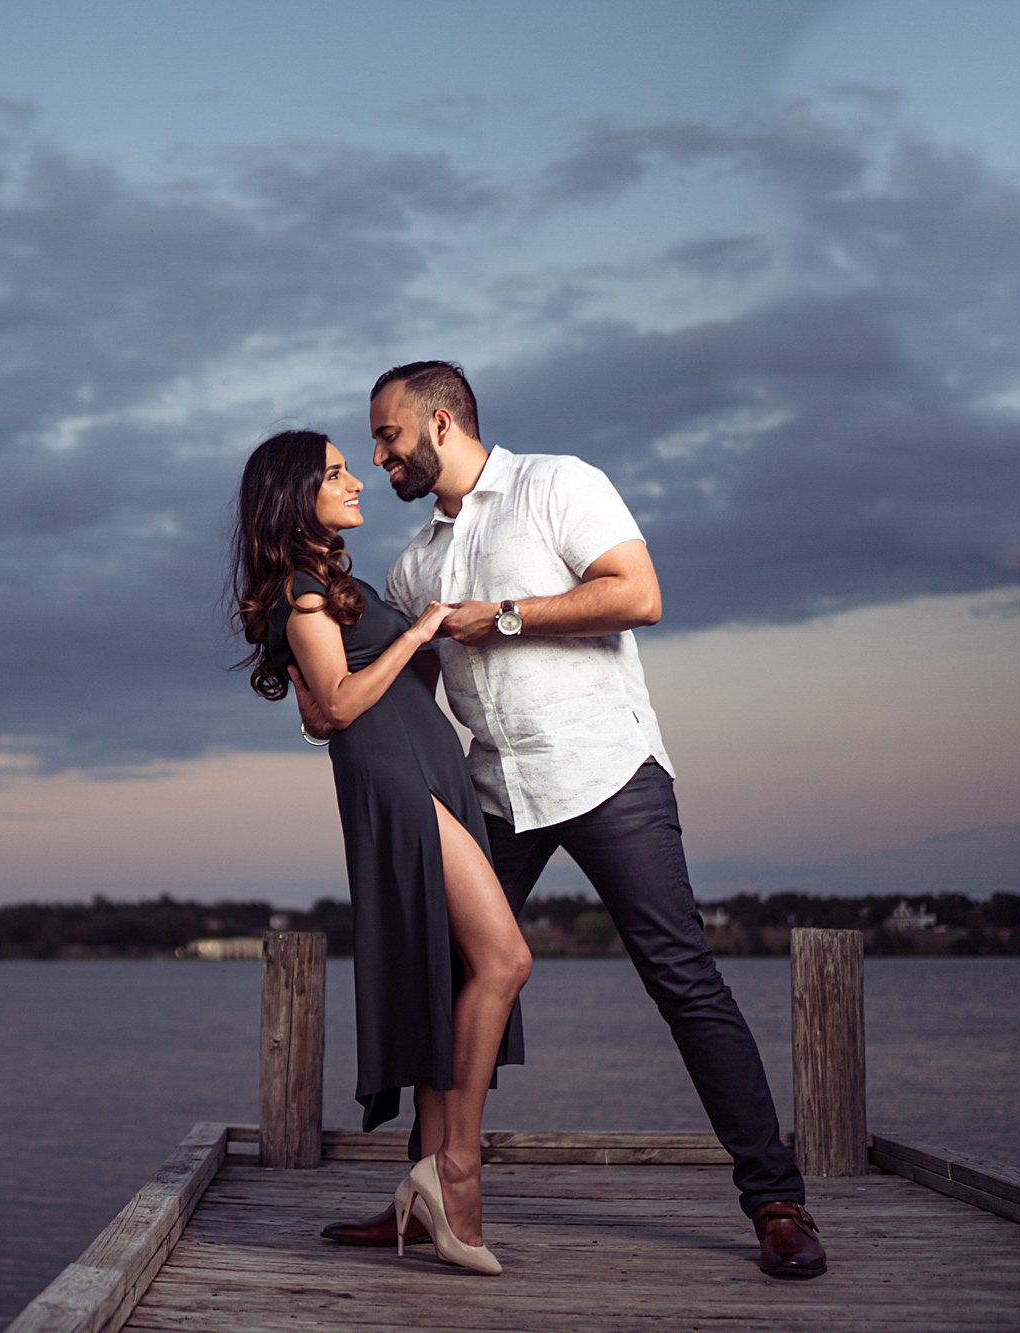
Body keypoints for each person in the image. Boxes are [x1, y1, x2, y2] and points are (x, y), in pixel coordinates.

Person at [300, 361, 827, 1280]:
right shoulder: (409, 562)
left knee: (682, 978)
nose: (377, 455)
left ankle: (776, 1201)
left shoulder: (558, 483)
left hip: (607, 773)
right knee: (448, 974)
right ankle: (431, 1197)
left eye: (385, 435)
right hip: (493, 794)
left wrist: (498, 617)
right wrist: (324, 702)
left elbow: (637, 594)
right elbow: (405, 697)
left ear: (439, 423)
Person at [229, 428, 532, 1276]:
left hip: (426, 762)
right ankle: (453, 1173)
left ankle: (425, 1182)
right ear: (297, 496)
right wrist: (421, 631)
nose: (356, 479)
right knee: (504, 960)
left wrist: (419, 651)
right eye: (335, 473)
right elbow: (336, 701)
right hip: (395, 781)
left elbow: (348, 699)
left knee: (452, 972)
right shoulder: (299, 590)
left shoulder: (337, 581)